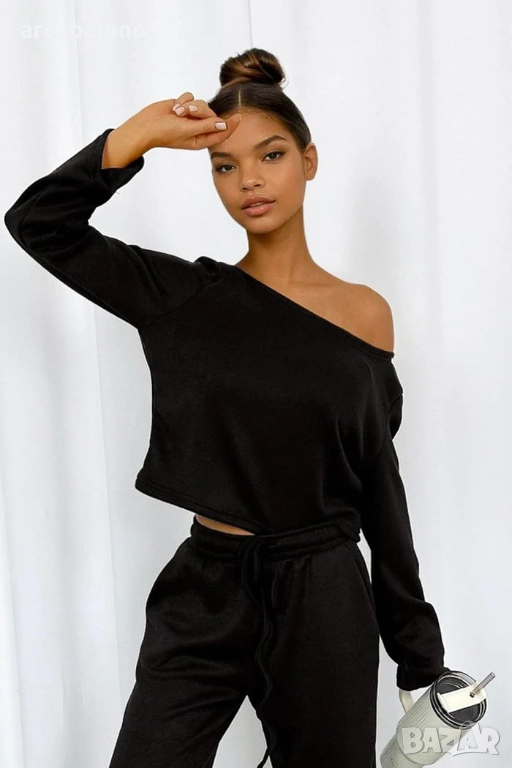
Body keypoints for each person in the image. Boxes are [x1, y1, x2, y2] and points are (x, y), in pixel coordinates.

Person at [4, 47, 450, 768]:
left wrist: (418, 653)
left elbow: (377, 482)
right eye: (224, 166)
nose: (249, 181)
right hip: (205, 591)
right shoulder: (182, 298)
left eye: (271, 155)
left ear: (308, 161)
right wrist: (135, 137)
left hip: (323, 594)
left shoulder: (365, 314)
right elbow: (39, 222)